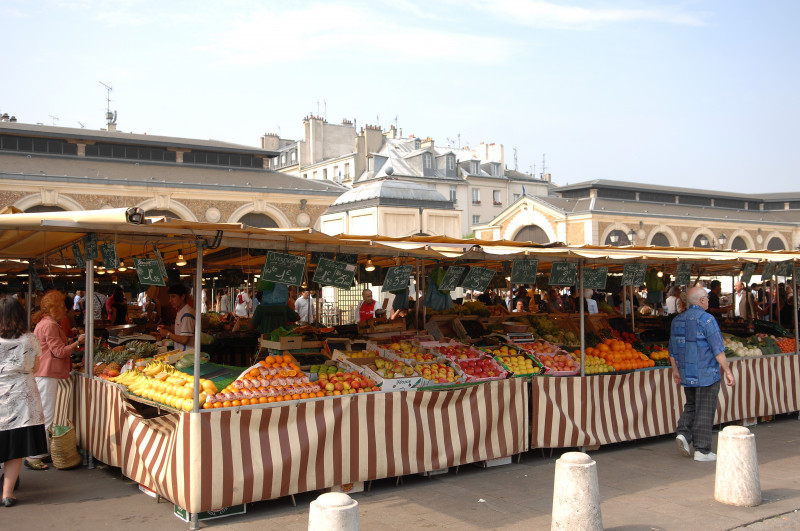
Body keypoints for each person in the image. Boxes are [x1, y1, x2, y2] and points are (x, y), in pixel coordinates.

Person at [669, 286, 735, 462]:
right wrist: (728, 371)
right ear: (701, 301)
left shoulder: (677, 320)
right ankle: (702, 450)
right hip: (706, 371)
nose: (708, 300)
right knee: (705, 408)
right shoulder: (707, 320)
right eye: (706, 298)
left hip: (686, 371)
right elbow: (717, 349)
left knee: (691, 405)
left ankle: (683, 433)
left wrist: (675, 370)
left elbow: (672, 350)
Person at [0, 297, 49, 506]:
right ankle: (7, 494)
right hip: (22, 398)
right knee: (15, 448)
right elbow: (36, 367)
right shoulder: (29, 339)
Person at [30, 290, 85, 469]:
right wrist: (78, 343)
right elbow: (59, 352)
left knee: (44, 413)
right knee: (47, 414)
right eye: (62, 306)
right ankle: (35, 455)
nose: (65, 309)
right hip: (48, 373)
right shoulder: (51, 325)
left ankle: (42, 451)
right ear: (55, 307)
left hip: (43, 372)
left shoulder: (44, 323)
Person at [156, 284, 195, 352]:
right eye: (169, 297)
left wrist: (167, 334)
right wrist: (167, 328)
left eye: (173, 296)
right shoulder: (180, 311)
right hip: (180, 353)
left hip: (186, 356)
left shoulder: (187, 314)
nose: (170, 300)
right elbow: (180, 331)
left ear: (183, 297)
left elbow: (184, 339)